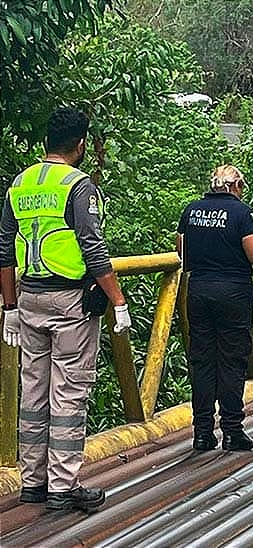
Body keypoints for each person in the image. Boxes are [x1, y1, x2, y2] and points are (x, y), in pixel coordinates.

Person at [0, 107, 131, 511]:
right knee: (69, 392)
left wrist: (9, 306)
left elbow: (4, 250)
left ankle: (33, 481)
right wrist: (118, 300)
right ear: (80, 144)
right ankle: (62, 485)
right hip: (69, 300)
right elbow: (93, 247)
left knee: (34, 389)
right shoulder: (78, 185)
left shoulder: (20, 184)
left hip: (29, 298)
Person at [177, 165, 253, 452]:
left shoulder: (191, 210)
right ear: (235, 186)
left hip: (199, 289)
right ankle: (232, 430)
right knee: (232, 360)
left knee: (202, 361)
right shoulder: (242, 213)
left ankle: (203, 432)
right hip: (233, 291)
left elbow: (182, 250)